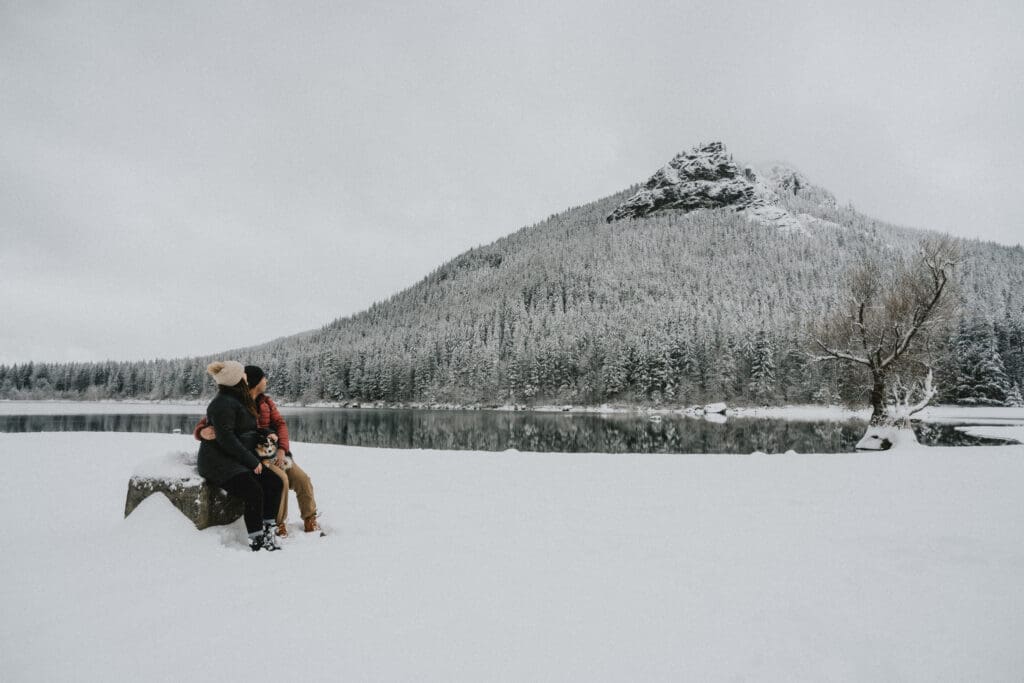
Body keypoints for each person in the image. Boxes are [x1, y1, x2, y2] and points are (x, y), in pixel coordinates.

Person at [194, 364, 323, 536]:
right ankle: (278, 524)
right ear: (254, 382)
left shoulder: (266, 402)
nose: (266, 381)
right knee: (280, 480)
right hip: (254, 455)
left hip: (274, 451)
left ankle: (310, 518)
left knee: (302, 479)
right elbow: (213, 423)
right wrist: (200, 432)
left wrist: (283, 449)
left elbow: (280, 425)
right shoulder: (235, 400)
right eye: (263, 378)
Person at [197, 361, 283, 552]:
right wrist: (251, 461)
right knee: (254, 490)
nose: (246, 376)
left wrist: (265, 433)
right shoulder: (221, 404)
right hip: (218, 462)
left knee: (274, 482)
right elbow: (227, 439)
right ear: (236, 379)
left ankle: (269, 530)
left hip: (234, 458)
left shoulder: (238, 399)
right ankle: (257, 540)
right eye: (243, 374)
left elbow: (246, 431)